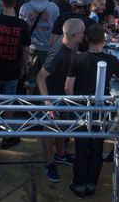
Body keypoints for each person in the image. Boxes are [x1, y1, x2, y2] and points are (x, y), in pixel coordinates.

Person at [65, 23, 119, 198]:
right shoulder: (111, 60)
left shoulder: (77, 58)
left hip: (81, 111)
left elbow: (68, 88)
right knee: (97, 149)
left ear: (86, 38)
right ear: (103, 39)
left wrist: (74, 108)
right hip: (101, 112)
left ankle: (79, 186)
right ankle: (92, 185)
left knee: (81, 149)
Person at [36, 18, 83, 183]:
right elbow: (40, 77)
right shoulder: (58, 53)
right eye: (81, 33)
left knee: (63, 124)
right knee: (49, 130)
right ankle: (49, 163)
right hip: (52, 96)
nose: (83, 36)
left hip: (63, 95)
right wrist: (47, 102)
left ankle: (61, 154)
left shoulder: (72, 46)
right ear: (72, 35)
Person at [0, 0, 31, 149]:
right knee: (8, 104)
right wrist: (22, 68)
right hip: (13, 69)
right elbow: (26, 50)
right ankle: (7, 136)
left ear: (1, 2)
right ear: (16, 3)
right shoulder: (22, 25)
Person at [20, 0, 60, 94]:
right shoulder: (54, 8)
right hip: (49, 49)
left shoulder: (25, 8)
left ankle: (29, 106)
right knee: (44, 80)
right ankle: (43, 106)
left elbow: (22, 29)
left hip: (31, 47)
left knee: (30, 78)